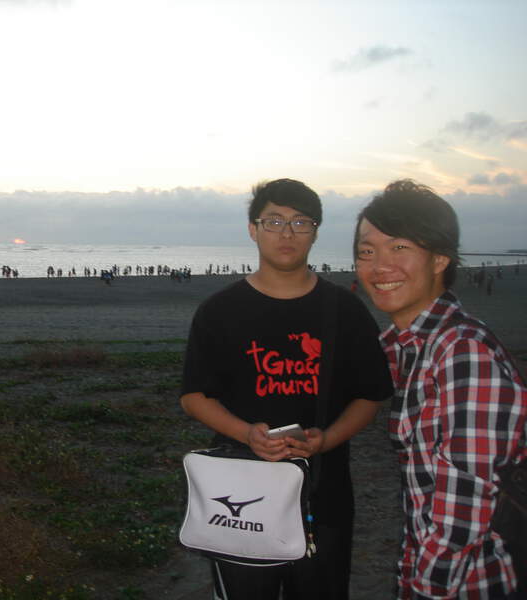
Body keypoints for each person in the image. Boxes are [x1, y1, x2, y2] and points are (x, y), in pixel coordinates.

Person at [181, 178, 393, 599]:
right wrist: (247, 433)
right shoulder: (219, 311)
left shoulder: (344, 310)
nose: (287, 233)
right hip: (239, 492)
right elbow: (194, 396)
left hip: (323, 495)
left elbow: (370, 395)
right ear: (253, 229)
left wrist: (326, 439)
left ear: (315, 232)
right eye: (274, 221)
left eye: (300, 222)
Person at [353, 179, 527, 599]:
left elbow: (463, 513)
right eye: (366, 251)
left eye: (399, 247)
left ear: (440, 258)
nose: (379, 266)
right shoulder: (406, 345)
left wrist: (424, 589)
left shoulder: (462, 353)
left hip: (476, 582)